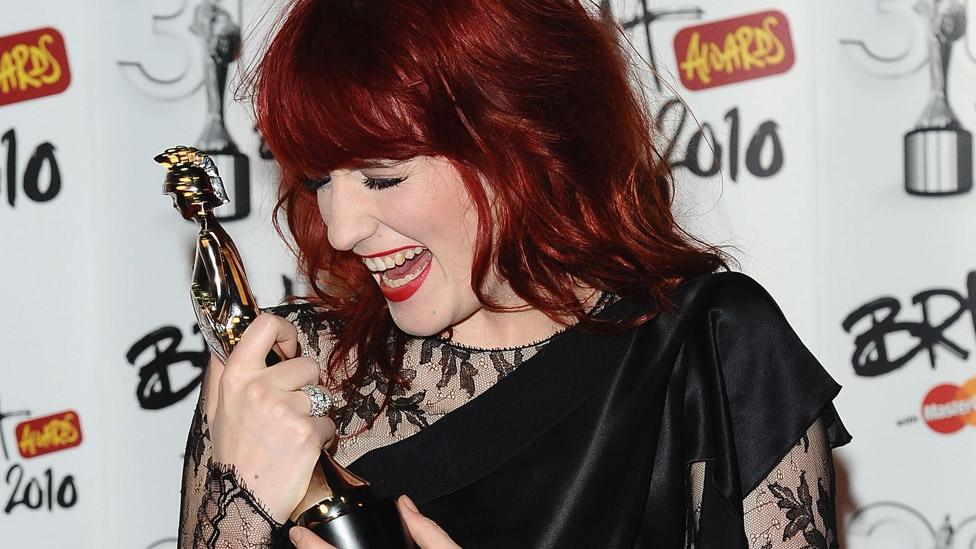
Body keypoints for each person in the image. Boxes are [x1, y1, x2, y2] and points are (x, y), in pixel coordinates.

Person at [177, 1, 851, 548]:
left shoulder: (711, 349)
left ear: (518, 142)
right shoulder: (288, 369)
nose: (342, 226)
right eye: (321, 177)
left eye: (383, 176)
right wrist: (244, 498)